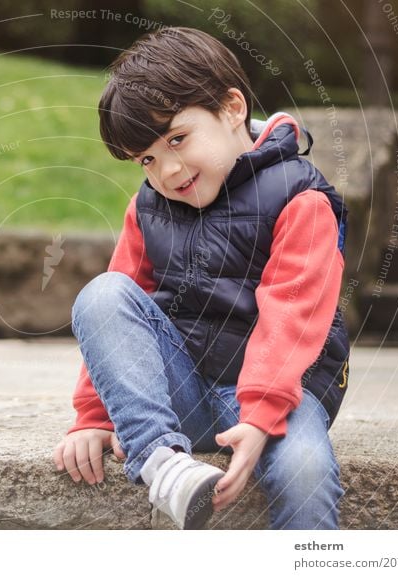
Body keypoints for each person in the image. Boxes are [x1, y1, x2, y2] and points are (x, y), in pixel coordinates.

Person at [52, 26, 350, 530]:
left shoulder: (300, 199)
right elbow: (121, 315)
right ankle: (162, 464)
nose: (167, 171)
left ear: (232, 108)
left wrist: (259, 417)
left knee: (305, 469)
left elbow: (291, 315)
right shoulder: (148, 208)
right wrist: (94, 418)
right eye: (146, 159)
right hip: (182, 392)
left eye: (177, 139)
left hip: (277, 398)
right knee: (103, 295)